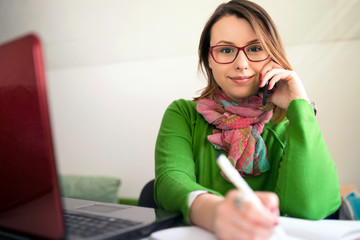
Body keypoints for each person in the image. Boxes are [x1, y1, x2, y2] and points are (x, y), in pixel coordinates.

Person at [154, 0, 341, 239]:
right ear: (209, 59)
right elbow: (170, 182)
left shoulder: (289, 121)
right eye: (225, 50)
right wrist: (216, 213)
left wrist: (300, 106)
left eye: (254, 49)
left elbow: (312, 208)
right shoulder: (184, 113)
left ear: (271, 55)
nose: (241, 64)